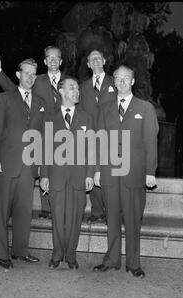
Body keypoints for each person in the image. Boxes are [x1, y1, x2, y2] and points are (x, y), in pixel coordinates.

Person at [93, 65, 159, 278]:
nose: (121, 82)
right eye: (118, 78)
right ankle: (112, 260)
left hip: (134, 174)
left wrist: (150, 171)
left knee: (132, 219)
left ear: (132, 81)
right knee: (112, 217)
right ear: (114, 82)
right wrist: (96, 170)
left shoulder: (145, 108)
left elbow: (150, 141)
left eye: (126, 78)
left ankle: (133, 263)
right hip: (110, 172)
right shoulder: (106, 108)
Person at [0, 46, 67, 219]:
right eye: (49, 57)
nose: (53, 61)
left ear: (61, 60)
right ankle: (46, 209)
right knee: (44, 169)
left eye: (57, 57)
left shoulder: (71, 81)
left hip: (63, 136)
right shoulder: (35, 79)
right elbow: (14, 92)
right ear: (45, 61)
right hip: (40, 134)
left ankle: (62, 209)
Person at [0, 58, 45, 269]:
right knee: (2, 211)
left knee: (24, 211)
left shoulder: (41, 103)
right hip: (7, 163)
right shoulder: (4, 98)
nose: (30, 77)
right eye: (26, 73)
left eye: (33, 74)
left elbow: (41, 136)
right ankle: (2, 254)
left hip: (29, 167)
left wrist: (39, 164)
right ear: (18, 75)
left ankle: (20, 251)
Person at [40, 77, 94, 270]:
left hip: (79, 177)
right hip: (56, 176)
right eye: (72, 87)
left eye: (78, 88)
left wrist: (90, 174)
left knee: (75, 217)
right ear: (61, 91)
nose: (76, 91)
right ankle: (57, 254)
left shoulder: (86, 118)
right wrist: (44, 175)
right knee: (57, 217)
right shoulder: (49, 117)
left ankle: (71, 254)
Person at [79, 49, 116, 225]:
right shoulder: (83, 87)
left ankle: (112, 212)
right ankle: (96, 211)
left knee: (108, 173)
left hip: (109, 135)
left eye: (98, 59)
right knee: (92, 170)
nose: (95, 62)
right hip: (89, 136)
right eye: (92, 59)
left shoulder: (114, 82)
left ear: (104, 61)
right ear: (88, 64)